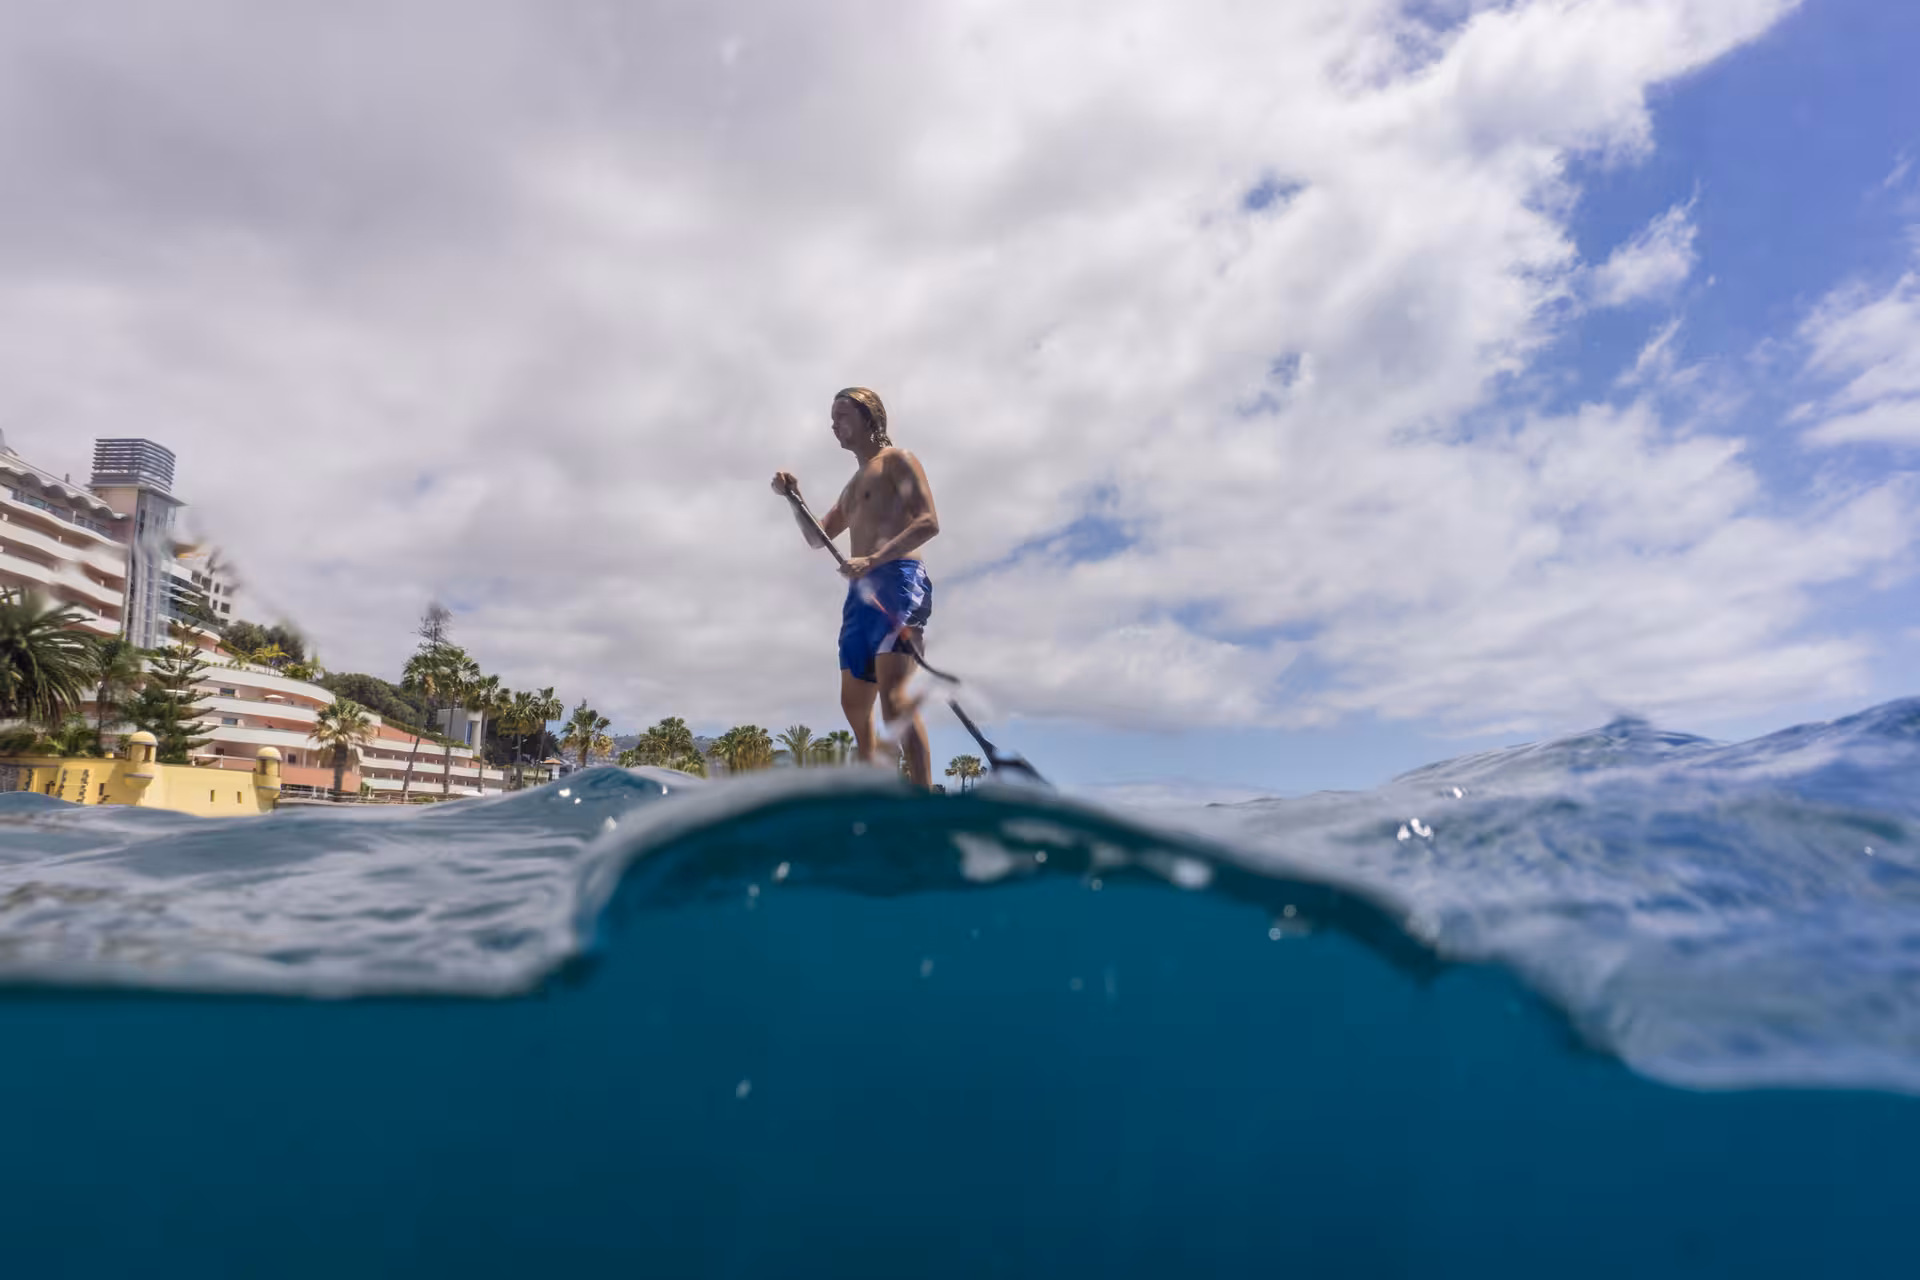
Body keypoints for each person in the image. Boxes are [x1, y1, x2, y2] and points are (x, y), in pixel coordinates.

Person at [772, 387, 941, 788]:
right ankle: (877, 802)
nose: (834, 426)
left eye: (842, 416)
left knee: (894, 700)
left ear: (869, 418)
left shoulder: (898, 461)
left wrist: (873, 559)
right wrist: (793, 500)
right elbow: (819, 537)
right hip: (860, 596)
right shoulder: (851, 486)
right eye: (832, 419)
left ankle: (923, 805)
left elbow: (928, 523)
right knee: (854, 707)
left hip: (898, 581)